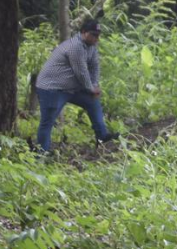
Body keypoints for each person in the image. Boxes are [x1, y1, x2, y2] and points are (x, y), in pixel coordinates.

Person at [35, 18, 117, 151]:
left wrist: (94, 85)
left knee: (92, 101)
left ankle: (102, 137)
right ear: (84, 32)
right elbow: (81, 72)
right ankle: (41, 154)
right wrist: (90, 88)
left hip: (71, 88)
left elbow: (94, 67)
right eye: (94, 35)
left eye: (98, 35)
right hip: (52, 88)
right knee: (48, 122)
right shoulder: (75, 46)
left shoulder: (91, 47)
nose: (96, 39)